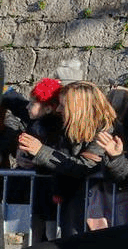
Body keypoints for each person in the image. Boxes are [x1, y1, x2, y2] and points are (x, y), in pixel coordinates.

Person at [16, 81, 116, 237]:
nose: (58, 109)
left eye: (63, 105)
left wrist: (40, 151)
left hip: (92, 204)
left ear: (79, 107)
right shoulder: (66, 124)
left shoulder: (105, 130)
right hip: (66, 200)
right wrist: (24, 154)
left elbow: (84, 166)